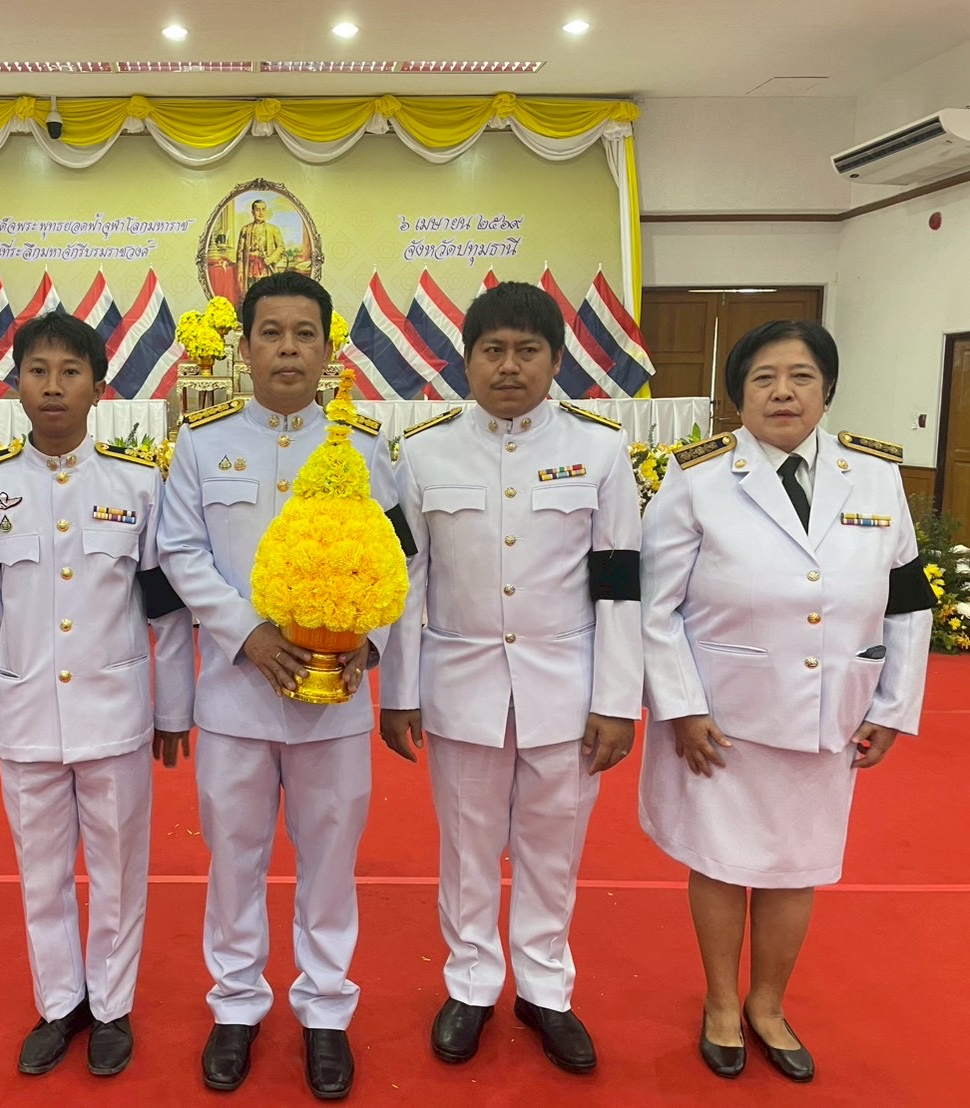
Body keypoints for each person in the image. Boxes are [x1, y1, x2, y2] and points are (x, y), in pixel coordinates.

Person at [638, 320, 933, 1083]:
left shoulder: (872, 478)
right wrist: (680, 706)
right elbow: (654, 606)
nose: (781, 391)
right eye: (762, 376)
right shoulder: (695, 478)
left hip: (828, 711)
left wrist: (892, 705)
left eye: (800, 376)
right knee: (720, 861)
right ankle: (720, 1004)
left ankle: (768, 1004)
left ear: (826, 389)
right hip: (723, 718)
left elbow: (905, 600)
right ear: (737, 393)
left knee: (793, 867)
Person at [379, 281, 643, 1076]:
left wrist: (616, 700)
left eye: (527, 350)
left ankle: (544, 989)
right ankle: (469, 983)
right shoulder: (423, 455)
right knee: (466, 847)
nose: (508, 366)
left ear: (556, 361)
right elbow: (403, 583)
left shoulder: (599, 451)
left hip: (567, 684)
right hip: (458, 683)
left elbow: (620, 582)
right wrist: (399, 692)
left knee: (551, 848)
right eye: (491, 350)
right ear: (464, 361)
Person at [159, 271, 408, 1101]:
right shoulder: (201, 443)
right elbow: (181, 552)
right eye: (272, 333)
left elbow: (399, 559)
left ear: (330, 348)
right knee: (234, 858)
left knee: (330, 862)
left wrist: (363, 647)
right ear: (244, 348)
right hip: (235, 695)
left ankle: (326, 1011)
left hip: (334, 700)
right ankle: (235, 1003)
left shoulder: (364, 448)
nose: (288, 348)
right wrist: (248, 634)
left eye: (305, 333)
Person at [0, 313, 195, 1079]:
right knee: (41, 872)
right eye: (38, 370)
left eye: (70, 372)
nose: (53, 385)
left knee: (120, 870)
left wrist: (171, 710)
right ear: (15, 383)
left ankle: (113, 1006)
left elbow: (163, 607)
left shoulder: (137, 484)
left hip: (116, 714)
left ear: (100, 388)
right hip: (27, 713)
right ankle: (59, 1002)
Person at [235, 200, 285, 301]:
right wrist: (240, 271)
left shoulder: (274, 229)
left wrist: (271, 259)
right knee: (251, 293)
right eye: (257, 210)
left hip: (266, 267)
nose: (261, 213)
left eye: (263, 209)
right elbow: (240, 252)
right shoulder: (245, 229)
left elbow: (281, 248)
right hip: (250, 267)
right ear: (253, 212)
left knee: (267, 293)